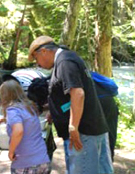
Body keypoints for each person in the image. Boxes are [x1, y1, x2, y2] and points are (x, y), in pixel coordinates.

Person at [28, 36, 113, 174]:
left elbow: (78, 93)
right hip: (91, 128)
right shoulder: (66, 59)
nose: (38, 64)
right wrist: (54, 111)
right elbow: (68, 95)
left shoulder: (65, 62)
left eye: (36, 59)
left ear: (43, 51)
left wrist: (73, 126)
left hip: (83, 132)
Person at [0, 80, 51, 174]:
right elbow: (26, 121)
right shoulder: (30, 107)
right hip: (43, 159)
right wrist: (3, 120)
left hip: (25, 163)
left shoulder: (12, 110)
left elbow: (19, 131)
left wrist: (11, 151)